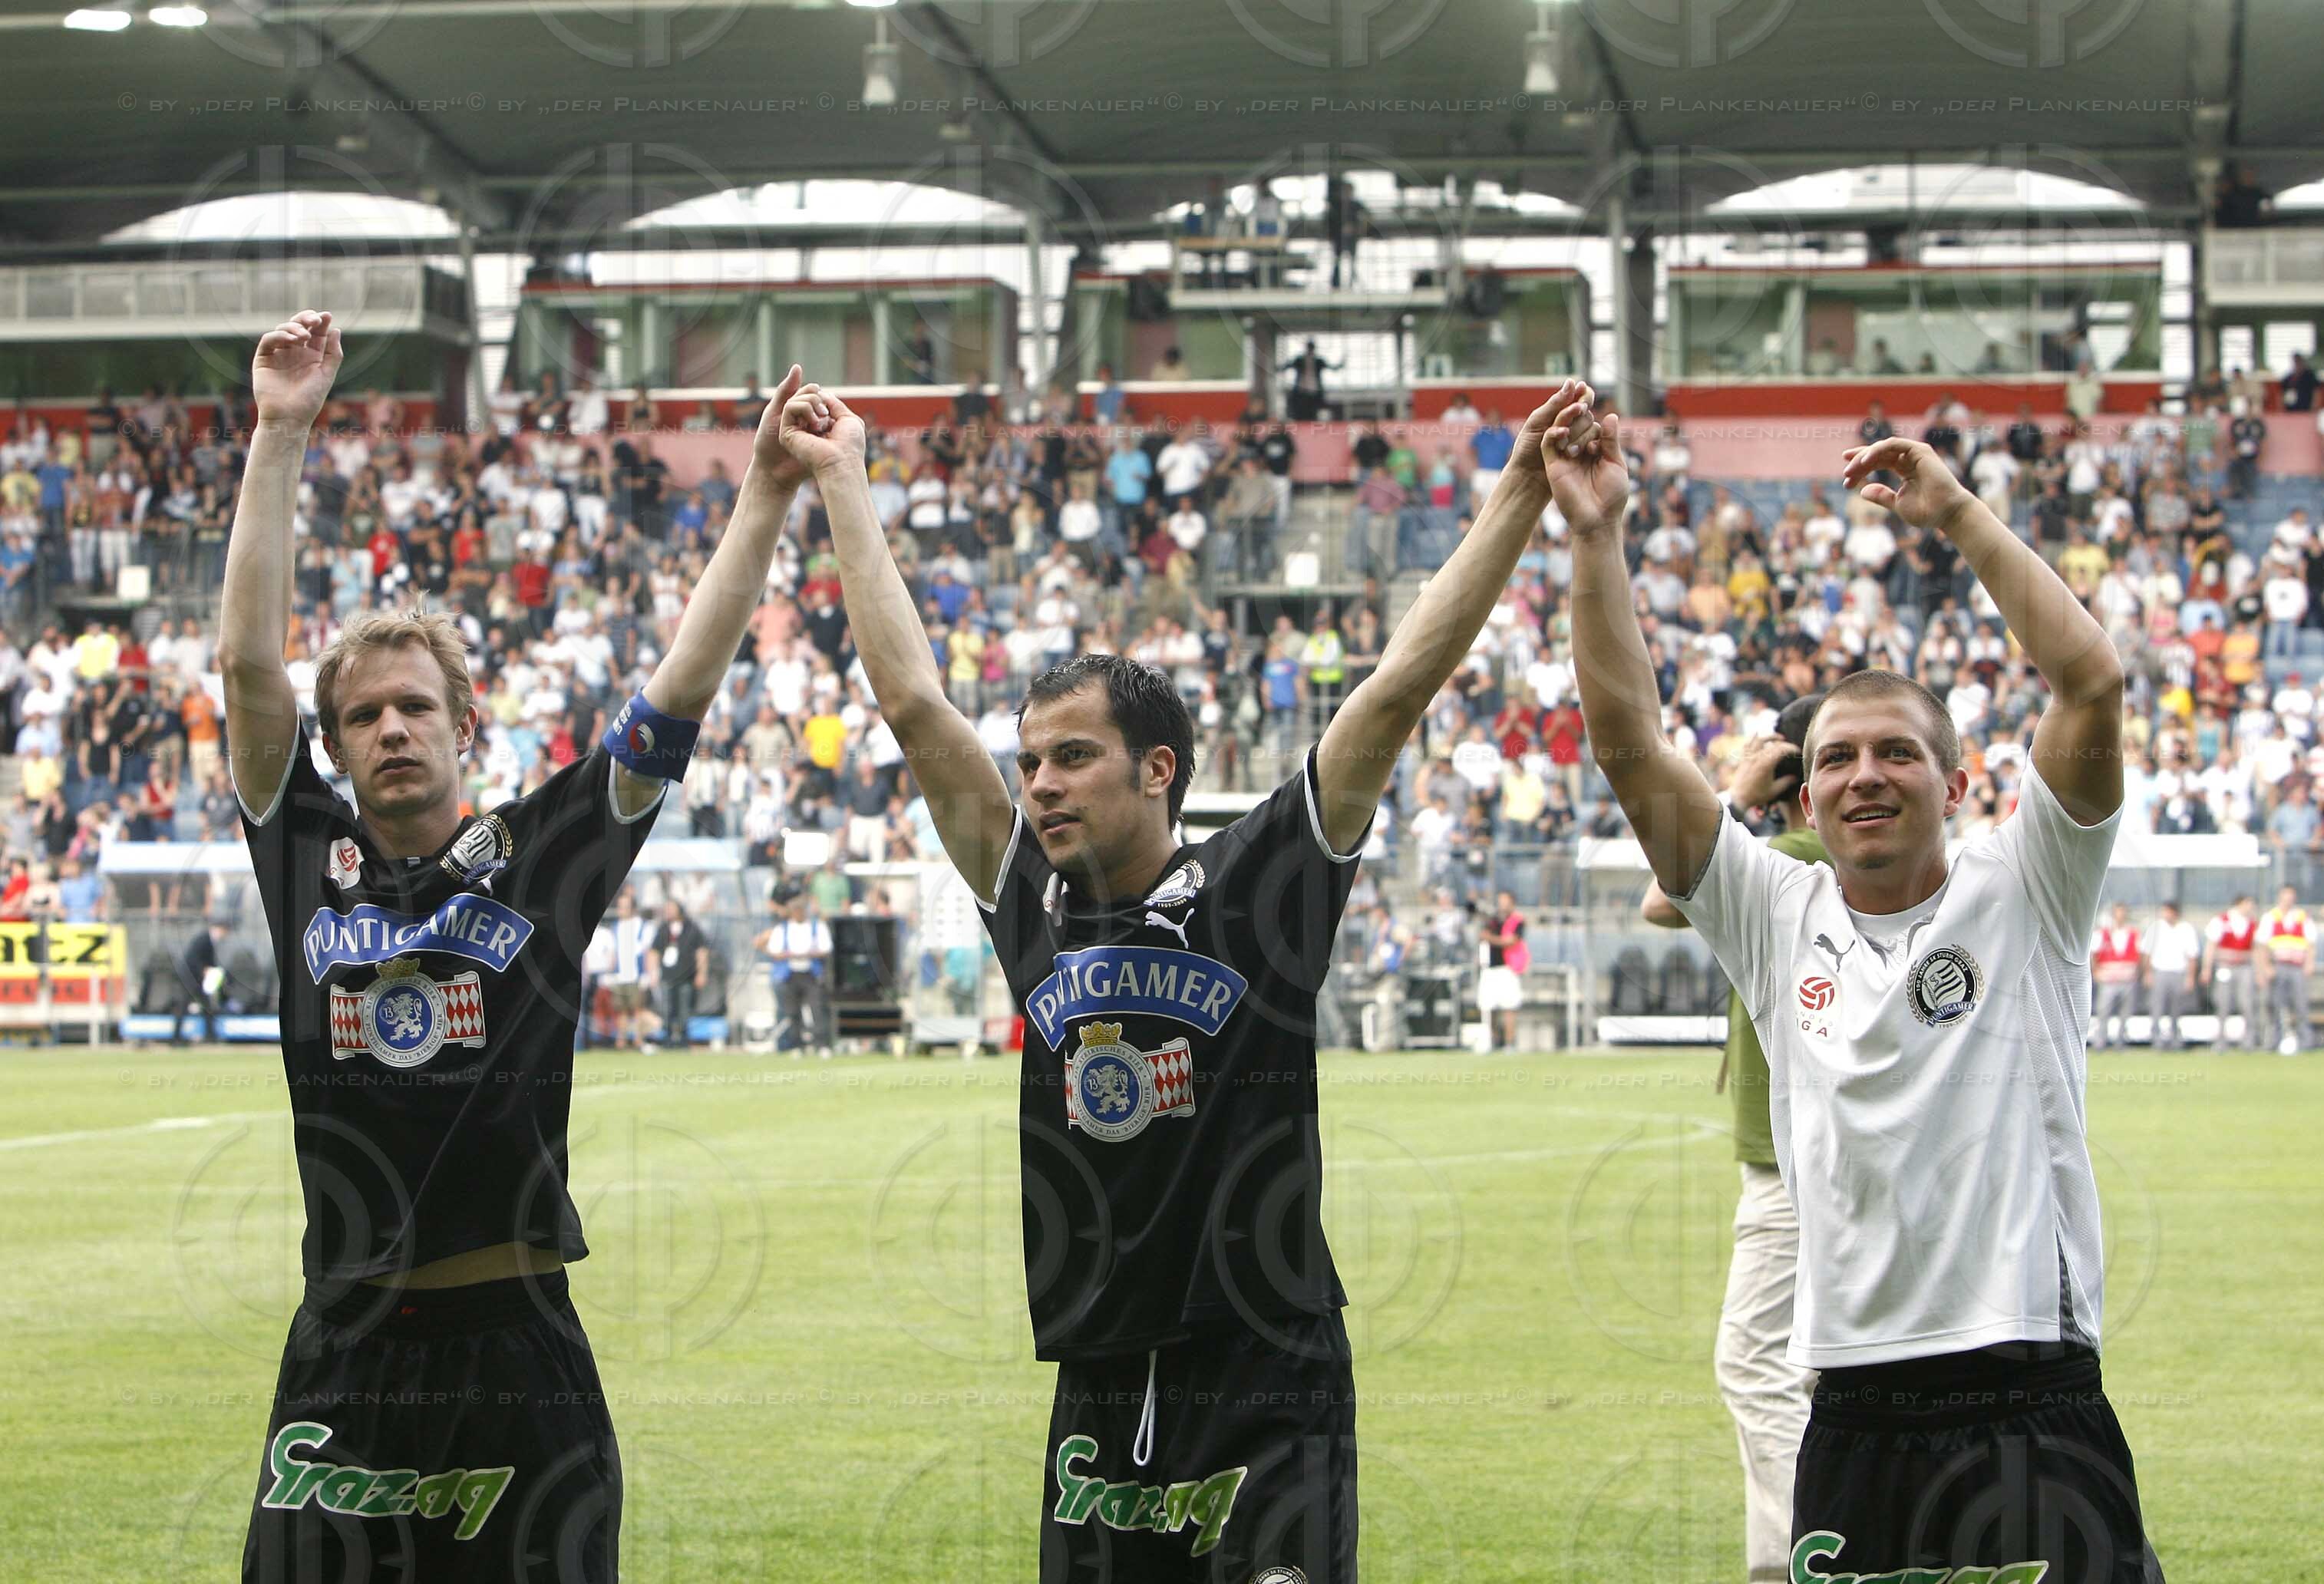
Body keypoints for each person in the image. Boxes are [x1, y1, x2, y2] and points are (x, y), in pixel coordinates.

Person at [785, 370, 1576, 1583]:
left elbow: (1396, 688)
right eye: (1031, 761)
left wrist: (1518, 493)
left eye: (1073, 758)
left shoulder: (1260, 886)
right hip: (1098, 1365)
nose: (1039, 783)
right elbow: (909, 701)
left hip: (1264, 1369)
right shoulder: (1028, 903)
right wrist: (841, 478)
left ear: (1157, 770)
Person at [220, 311, 811, 1583]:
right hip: (346, 1337)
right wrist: (279, 432)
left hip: (513, 1337)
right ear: (333, 742)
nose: (389, 728)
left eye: (413, 706)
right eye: (363, 713)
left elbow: (676, 694)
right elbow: (244, 669)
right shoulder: (301, 861)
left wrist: (761, 495)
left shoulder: (544, 855)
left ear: (466, 721)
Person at [1561, 384, 2162, 1582]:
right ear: (1804, 792)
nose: (1865, 775)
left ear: (1959, 779)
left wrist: (1955, 516)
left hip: (2027, 1376)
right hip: (1851, 1396)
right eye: (1837, 757)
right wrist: (1595, 536)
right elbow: (1629, 742)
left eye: (1899, 752)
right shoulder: (1771, 911)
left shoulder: (2027, 881)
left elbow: (2090, 683)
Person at [1639, 695, 1827, 1584]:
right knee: (1827, 1368)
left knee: (1753, 1364)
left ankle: (1804, 1557)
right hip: (1834, 1157)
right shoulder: (1844, 862)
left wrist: (1738, 790)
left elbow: (1657, 900)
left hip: (1790, 1167)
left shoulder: (1786, 856)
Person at [757, 887, 832, 1056]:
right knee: (792, 1012)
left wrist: (807, 953)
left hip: (811, 974)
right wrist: (789, 955)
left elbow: (826, 948)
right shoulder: (782, 929)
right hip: (789, 974)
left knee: (817, 1010)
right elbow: (775, 951)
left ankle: (822, 1044)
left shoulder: (817, 926)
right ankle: (797, 1045)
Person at [648, 895, 710, 1049]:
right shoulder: (663, 929)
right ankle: (668, 1038)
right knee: (667, 1009)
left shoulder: (692, 928)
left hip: (686, 977)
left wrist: (702, 973)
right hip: (668, 976)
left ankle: (683, 1039)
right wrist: (653, 973)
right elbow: (654, 952)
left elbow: (701, 952)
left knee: (684, 1010)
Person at [2258, 883, 2312, 1054]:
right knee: (2276, 1005)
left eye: (2291, 896)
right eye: (2286, 895)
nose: (2289, 899)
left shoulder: (2302, 917)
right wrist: (2265, 967)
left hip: (2297, 967)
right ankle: (2274, 1041)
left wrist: (2309, 963)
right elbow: (2262, 945)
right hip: (2278, 966)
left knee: (2301, 1005)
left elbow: (2310, 944)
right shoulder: (2271, 917)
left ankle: (2305, 1042)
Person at [1475, 887, 1530, 1049]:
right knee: (1488, 1007)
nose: (1502, 905)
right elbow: (1483, 936)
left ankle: (1509, 1043)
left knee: (1509, 1007)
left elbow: (1510, 941)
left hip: (1508, 968)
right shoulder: (1493, 921)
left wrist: (1491, 938)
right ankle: (1492, 1040)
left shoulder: (1517, 921)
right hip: (1491, 969)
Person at [2204, 893, 2260, 1050]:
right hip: (2225, 967)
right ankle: (2221, 1040)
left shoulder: (2252, 924)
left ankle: (2249, 1040)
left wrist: (2258, 971)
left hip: (2244, 967)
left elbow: (2255, 949)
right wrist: (2207, 968)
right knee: (2223, 1003)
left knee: (2246, 1003)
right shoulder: (2221, 921)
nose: (2251, 908)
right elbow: (2211, 946)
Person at [2144, 901, 2200, 1051]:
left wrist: (2190, 977)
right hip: (2160, 972)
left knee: (2176, 1009)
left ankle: (2175, 1039)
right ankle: (2156, 1039)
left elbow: (2192, 956)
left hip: (2179, 972)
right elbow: (2147, 953)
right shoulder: (2156, 928)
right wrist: (2148, 973)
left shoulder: (2186, 929)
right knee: (2157, 1007)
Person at [2091, 901, 2144, 1050]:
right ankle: (2100, 1042)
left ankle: (2120, 1042)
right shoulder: (2103, 934)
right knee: (2104, 1011)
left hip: (2127, 979)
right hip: (2108, 979)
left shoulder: (2133, 933)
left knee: (2125, 1013)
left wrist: (2138, 973)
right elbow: (2094, 955)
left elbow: (2140, 955)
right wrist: (2095, 972)